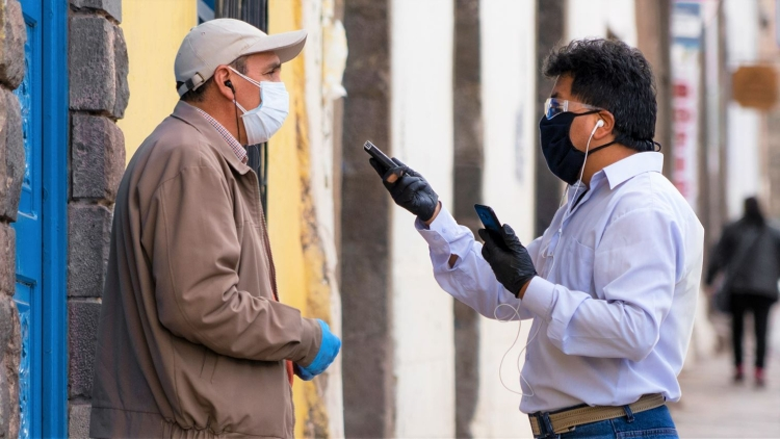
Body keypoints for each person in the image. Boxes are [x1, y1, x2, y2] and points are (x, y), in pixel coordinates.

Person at [371, 39, 703, 438]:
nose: (548, 120)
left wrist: (530, 284)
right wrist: (433, 215)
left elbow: (632, 330)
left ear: (604, 124)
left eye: (558, 108)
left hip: (616, 428)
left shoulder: (641, 205)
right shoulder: (587, 200)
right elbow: (500, 294)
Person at [89, 19, 341, 438]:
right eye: (271, 72)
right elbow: (203, 305)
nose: (280, 86)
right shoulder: (190, 158)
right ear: (227, 81)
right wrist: (304, 337)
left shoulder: (201, 155)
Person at [705, 196, 780, 387]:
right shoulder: (773, 231)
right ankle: (759, 370)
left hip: (739, 288)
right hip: (765, 289)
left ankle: (739, 367)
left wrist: (709, 279)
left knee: (737, 328)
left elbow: (719, 255)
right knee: (761, 330)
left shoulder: (733, 229)